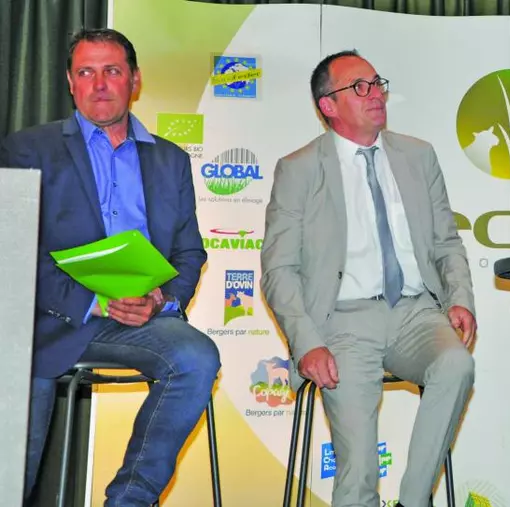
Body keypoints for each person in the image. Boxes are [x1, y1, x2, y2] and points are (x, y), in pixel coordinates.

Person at [0, 28, 220, 506]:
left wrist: (160, 297)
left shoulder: (171, 160)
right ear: (70, 82)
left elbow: (189, 253)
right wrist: (92, 301)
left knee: (197, 357)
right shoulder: (28, 148)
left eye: (112, 71)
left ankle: (129, 500)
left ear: (134, 81)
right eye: (86, 72)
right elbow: (16, 251)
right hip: (51, 321)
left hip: (139, 320)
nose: (99, 83)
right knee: (13, 463)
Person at [261, 50, 476, 507]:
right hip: (342, 322)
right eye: (359, 87)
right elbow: (278, 269)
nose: (375, 94)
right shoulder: (299, 168)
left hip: (416, 313)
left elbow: (446, 242)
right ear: (328, 105)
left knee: (456, 365)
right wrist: (307, 343)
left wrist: (459, 298)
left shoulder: (418, 156)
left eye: (377, 83)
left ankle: (414, 501)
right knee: (358, 469)